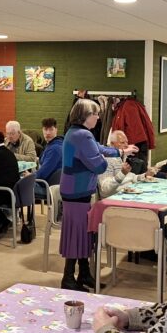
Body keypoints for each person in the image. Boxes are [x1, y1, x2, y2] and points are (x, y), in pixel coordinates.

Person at [60, 99, 107, 290]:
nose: (98, 117)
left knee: (81, 233)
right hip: (77, 192)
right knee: (77, 234)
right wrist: (106, 158)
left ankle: (84, 273)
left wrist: (119, 151)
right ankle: (68, 278)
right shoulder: (83, 135)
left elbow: (98, 148)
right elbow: (99, 165)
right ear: (86, 116)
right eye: (95, 114)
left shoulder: (74, 132)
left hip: (73, 190)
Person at [97, 130, 138, 198]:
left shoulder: (120, 158)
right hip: (114, 199)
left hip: (127, 194)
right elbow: (105, 190)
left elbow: (129, 177)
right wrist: (122, 173)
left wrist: (144, 176)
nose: (126, 145)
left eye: (127, 142)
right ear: (112, 144)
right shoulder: (106, 160)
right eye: (122, 142)